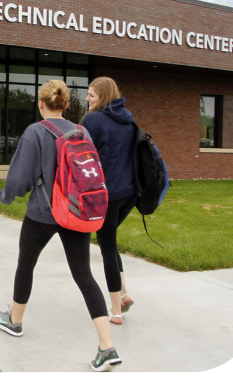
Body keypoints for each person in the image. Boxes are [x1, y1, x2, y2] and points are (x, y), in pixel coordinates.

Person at [0, 79, 122, 372]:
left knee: (26, 264)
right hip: (76, 212)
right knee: (84, 275)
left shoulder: (35, 132)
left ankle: (14, 321)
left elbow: (19, 180)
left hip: (43, 213)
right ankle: (107, 346)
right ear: (65, 105)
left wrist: (6, 196)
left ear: (41, 104)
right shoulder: (82, 130)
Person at [80, 77, 137, 326]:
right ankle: (124, 294)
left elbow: (78, 152)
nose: (87, 99)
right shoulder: (128, 116)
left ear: (101, 96)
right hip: (130, 194)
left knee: (106, 247)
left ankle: (115, 310)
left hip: (108, 195)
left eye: (91, 95)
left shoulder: (92, 120)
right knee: (110, 243)